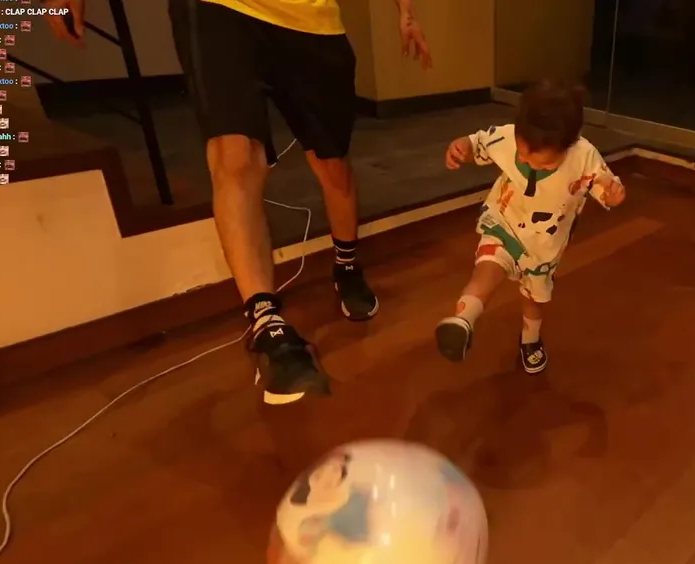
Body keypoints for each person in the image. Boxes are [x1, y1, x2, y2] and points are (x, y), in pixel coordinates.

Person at [44, 0, 432, 405]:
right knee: (235, 158)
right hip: (219, 10)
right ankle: (267, 324)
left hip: (313, 23)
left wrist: (406, 14)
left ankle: (346, 264)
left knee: (333, 164)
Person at [437, 79, 626, 375]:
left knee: (534, 298)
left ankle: (530, 339)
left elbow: (605, 186)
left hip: (544, 245)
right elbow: (478, 143)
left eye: (543, 164)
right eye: (523, 156)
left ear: (570, 144)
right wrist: (463, 146)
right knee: (487, 269)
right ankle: (464, 320)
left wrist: (613, 194)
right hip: (504, 220)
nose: (528, 163)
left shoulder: (583, 156)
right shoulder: (508, 137)